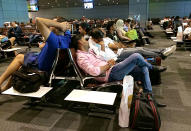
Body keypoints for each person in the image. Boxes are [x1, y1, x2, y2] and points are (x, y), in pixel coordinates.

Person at [0, 17, 71, 93]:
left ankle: (2, 83)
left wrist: (60, 25)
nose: (49, 26)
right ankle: (5, 87)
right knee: (21, 59)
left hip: (40, 67)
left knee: (19, 58)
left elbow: (38, 20)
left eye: (51, 24)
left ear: (58, 26)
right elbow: (67, 31)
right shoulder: (66, 38)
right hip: (45, 63)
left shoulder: (54, 40)